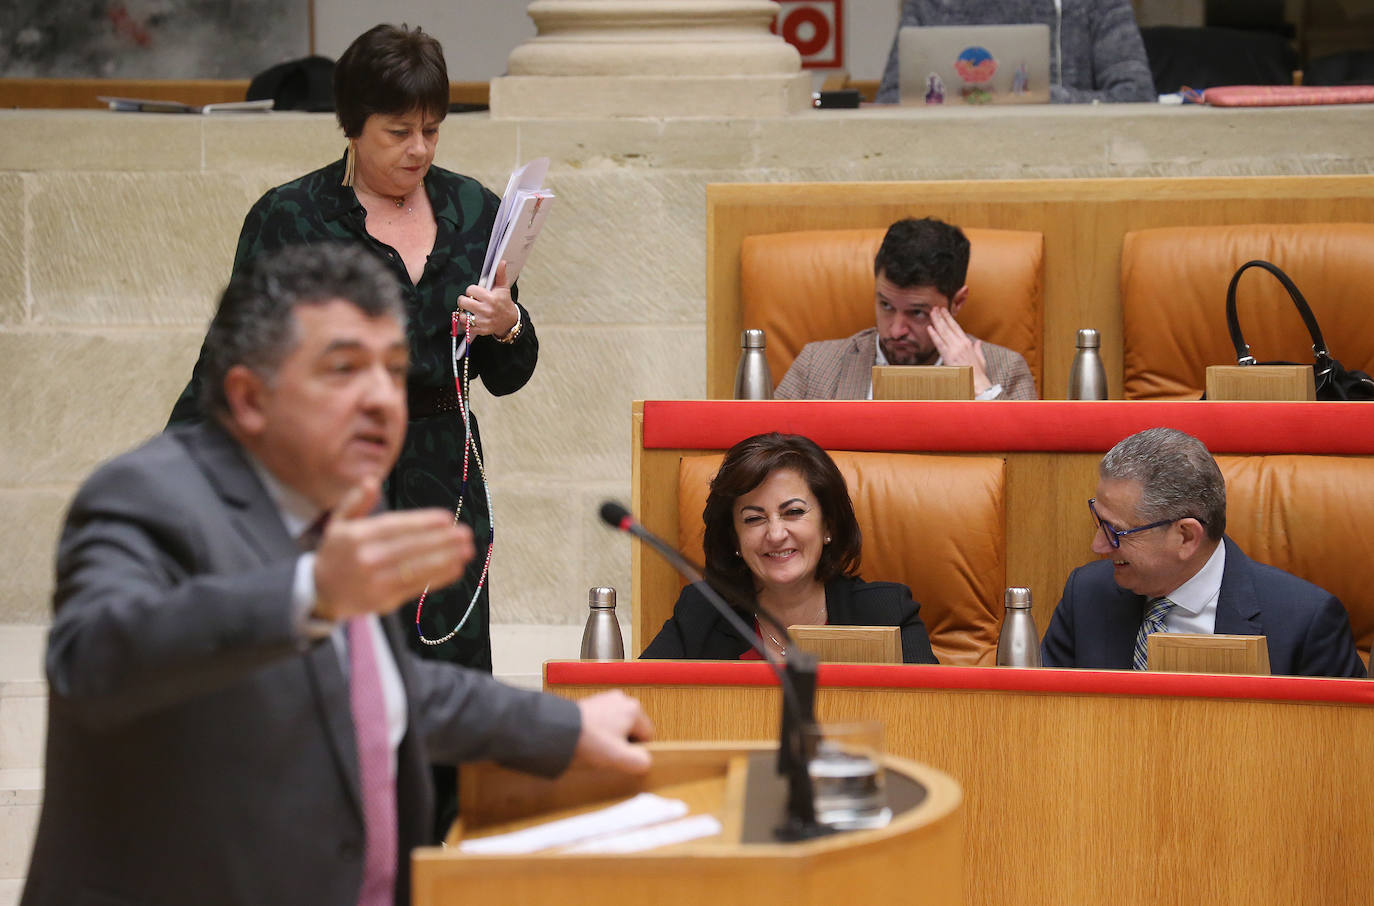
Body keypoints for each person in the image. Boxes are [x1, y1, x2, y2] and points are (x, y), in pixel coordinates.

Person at [20, 244, 653, 906]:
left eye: (396, 369)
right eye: (345, 369)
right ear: (250, 396)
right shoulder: (145, 494)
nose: (385, 398)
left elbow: (378, 688)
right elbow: (93, 660)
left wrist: (564, 728)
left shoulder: (346, 500)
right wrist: (310, 594)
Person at [166, 22, 525, 837]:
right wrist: (177, 488)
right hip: (333, 480)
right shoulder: (291, 215)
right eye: (398, 132)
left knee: (449, 685)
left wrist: (508, 324)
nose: (419, 149)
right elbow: (232, 365)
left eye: (433, 128)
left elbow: (505, 374)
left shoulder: (477, 210)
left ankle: (436, 869)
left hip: (444, 475)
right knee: (337, 690)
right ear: (351, 126)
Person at [1040, 428, 1366, 677]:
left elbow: (1336, 752)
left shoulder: (1306, 623)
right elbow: (1048, 725)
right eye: (1099, 521)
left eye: (1115, 531)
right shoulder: (1085, 594)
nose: (1097, 546)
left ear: (1185, 536)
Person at [641, 433, 938, 663]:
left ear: (828, 527)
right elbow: (643, 704)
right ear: (734, 539)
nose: (775, 534)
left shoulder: (887, 615)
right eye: (754, 518)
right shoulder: (702, 611)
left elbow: (929, 722)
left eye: (793, 512)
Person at [773, 217, 1037, 401]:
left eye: (917, 312)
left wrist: (981, 389)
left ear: (956, 303)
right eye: (886, 306)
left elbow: (1031, 472)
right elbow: (762, 459)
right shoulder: (816, 366)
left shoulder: (1006, 369)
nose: (896, 330)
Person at [875, 0, 1156, 104]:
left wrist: (1048, 100)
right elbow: (889, 101)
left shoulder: (1096, 4)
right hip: (947, 165)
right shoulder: (929, 5)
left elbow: (1137, 96)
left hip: (1066, 165)